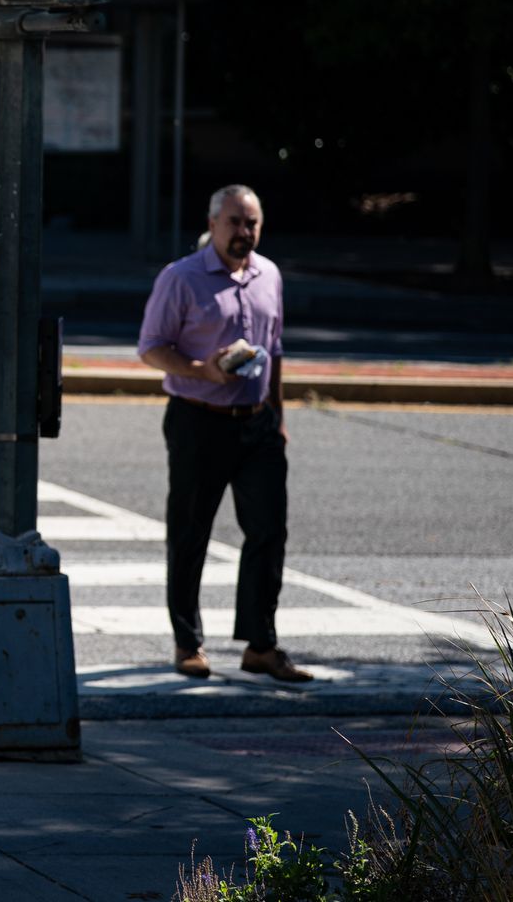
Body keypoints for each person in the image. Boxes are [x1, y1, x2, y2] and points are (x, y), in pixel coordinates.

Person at [137, 184, 309, 683]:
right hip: (198, 418)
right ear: (212, 224)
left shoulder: (268, 274)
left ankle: (261, 644)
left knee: (268, 530)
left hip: (256, 423)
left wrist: (277, 416)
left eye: (252, 223)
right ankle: (188, 642)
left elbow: (274, 351)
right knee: (191, 533)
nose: (244, 232)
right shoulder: (181, 278)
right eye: (234, 222)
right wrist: (202, 370)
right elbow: (150, 348)